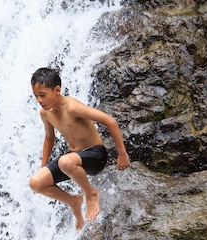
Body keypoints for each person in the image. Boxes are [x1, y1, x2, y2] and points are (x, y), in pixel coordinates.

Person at [28, 67, 130, 230]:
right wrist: (43, 168)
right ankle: (73, 201)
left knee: (65, 161)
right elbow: (49, 138)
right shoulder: (45, 113)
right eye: (36, 96)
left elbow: (109, 121)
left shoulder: (72, 108)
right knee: (35, 183)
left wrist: (122, 154)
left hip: (95, 156)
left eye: (42, 95)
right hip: (73, 159)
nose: (39, 100)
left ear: (57, 91)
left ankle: (91, 194)